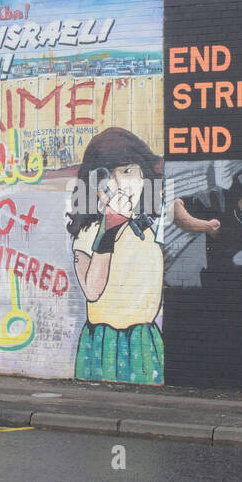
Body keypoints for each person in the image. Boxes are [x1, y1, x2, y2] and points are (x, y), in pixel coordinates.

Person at [66, 127, 164, 384]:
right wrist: (108, 230)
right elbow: (92, 290)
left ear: (144, 175)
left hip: (145, 338)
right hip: (106, 341)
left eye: (128, 171)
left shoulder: (147, 228)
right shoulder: (90, 233)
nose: (120, 185)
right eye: (106, 177)